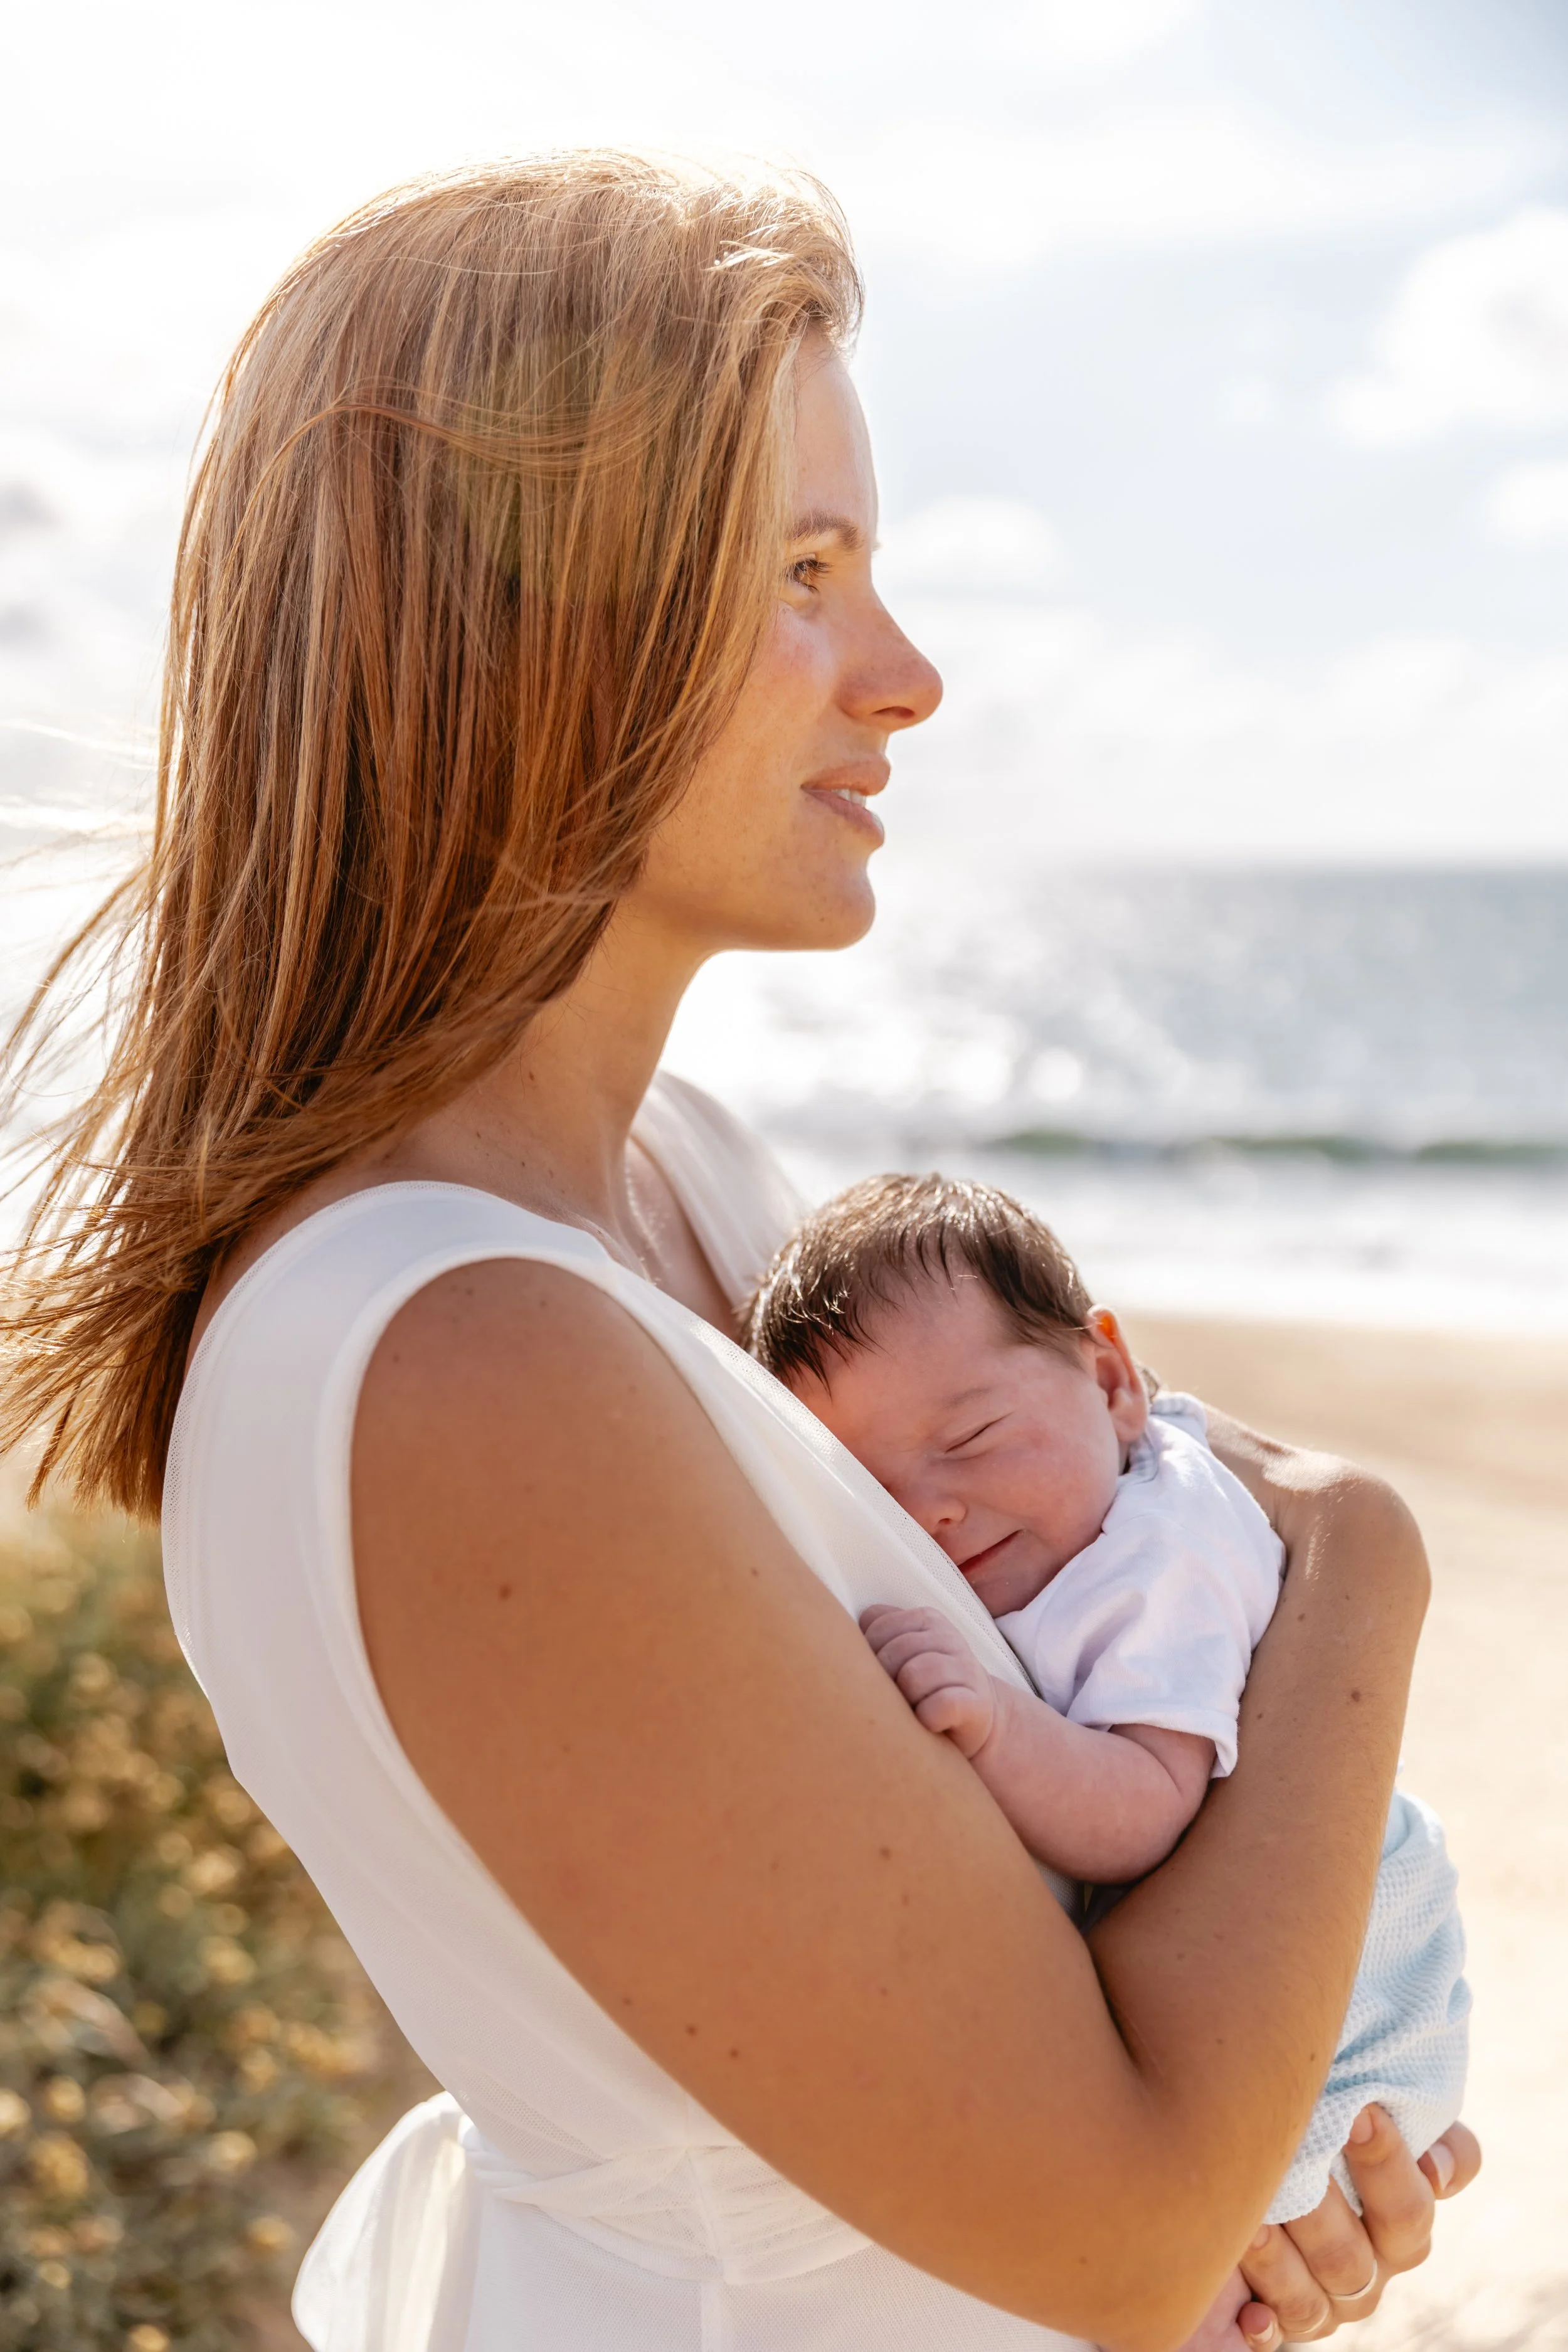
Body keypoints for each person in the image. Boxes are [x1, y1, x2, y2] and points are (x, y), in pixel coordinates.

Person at [0, 154, 1478, 2352]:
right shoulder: (461, 1356)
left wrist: (1294, 2137)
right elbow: (1118, 2234)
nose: (908, 677)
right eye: (804, 570)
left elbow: (1047, 2005)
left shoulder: (683, 1179)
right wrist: (1360, 1561)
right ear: (528, 624)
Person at [741, 1174, 1471, 2301]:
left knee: (1222, 2249)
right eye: (879, 1495)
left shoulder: (1149, 1568)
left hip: (1353, 1970)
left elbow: (1143, 1807)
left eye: (975, 1435)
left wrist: (999, 1727)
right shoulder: (1129, 1467)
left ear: (1116, 1378)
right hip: (1313, 1932)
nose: (931, 1507)